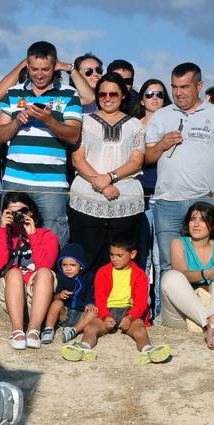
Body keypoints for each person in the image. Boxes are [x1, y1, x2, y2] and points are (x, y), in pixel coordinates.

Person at [144, 62, 214, 280]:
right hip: (167, 202)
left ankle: (205, 311)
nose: (178, 92)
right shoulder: (161, 115)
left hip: (205, 200)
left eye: (184, 87)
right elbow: (147, 158)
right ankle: (165, 313)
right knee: (167, 263)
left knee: (206, 261)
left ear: (199, 86)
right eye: (174, 86)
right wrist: (162, 145)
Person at [0, 41, 83, 243]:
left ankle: (50, 275)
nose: (39, 74)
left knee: (53, 238)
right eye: (34, 69)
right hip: (16, 179)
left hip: (51, 182)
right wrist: (17, 122)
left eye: (45, 69)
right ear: (27, 66)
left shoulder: (69, 94)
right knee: (10, 236)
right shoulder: (13, 93)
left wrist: (49, 120)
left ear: (54, 66)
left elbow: (74, 135)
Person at [68, 72, 146, 274]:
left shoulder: (135, 125)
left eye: (113, 93)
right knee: (87, 254)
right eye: (102, 94)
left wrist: (110, 178)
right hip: (88, 196)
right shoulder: (84, 121)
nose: (108, 98)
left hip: (123, 198)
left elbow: (136, 161)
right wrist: (101, 184)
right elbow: (78, 159)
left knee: (120, 257)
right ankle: (85, 302)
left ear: (123, 96)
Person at [62, 235, 170, 363]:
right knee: (90, 328)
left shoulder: (140, 275)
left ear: (133, 254)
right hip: (107, 310)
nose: (114, 259)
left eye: (119, 255)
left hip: (129, 312)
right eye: (112, 254)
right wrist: (106, 316)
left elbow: (141, 302)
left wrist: (130, 317)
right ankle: (83, 348)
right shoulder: (103, 272)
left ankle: (147, 350)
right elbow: (100, 298)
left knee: (140, 329)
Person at [159, 202, 214, 348]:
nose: (196, 224)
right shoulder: (178, 243)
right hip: (181, 314)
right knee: (171, 276)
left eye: (202, 220)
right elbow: (182, 273)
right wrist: (206, 274)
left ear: (213, 225)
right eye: (193, 219)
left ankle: (212, 326)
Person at [0, 191, 59, 350]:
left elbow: (45, 266)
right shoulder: (0, 236)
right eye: (12, 213)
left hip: (37, 300)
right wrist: (2, 230)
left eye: (22, 211)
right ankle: (17, 330)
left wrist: (33, 235)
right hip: (6, 300)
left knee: (45, 273)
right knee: (13, 272)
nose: (18, 216)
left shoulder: (47, 236)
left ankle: (34, 330)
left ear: (31, 212)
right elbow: (0, 265)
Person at [50, 243, 91, 344]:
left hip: (81, 315)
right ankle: (48, 329)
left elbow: (92, 293)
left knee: (93, 312)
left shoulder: (88, 277)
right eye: (64, 265)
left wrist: (91, 303)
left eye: (73, 265)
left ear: (81, 265)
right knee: (56, 303)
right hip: (66, 314)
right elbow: (53, 296)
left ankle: (74, 330)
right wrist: (59, 296)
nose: (68, 269)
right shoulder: (60, 277)